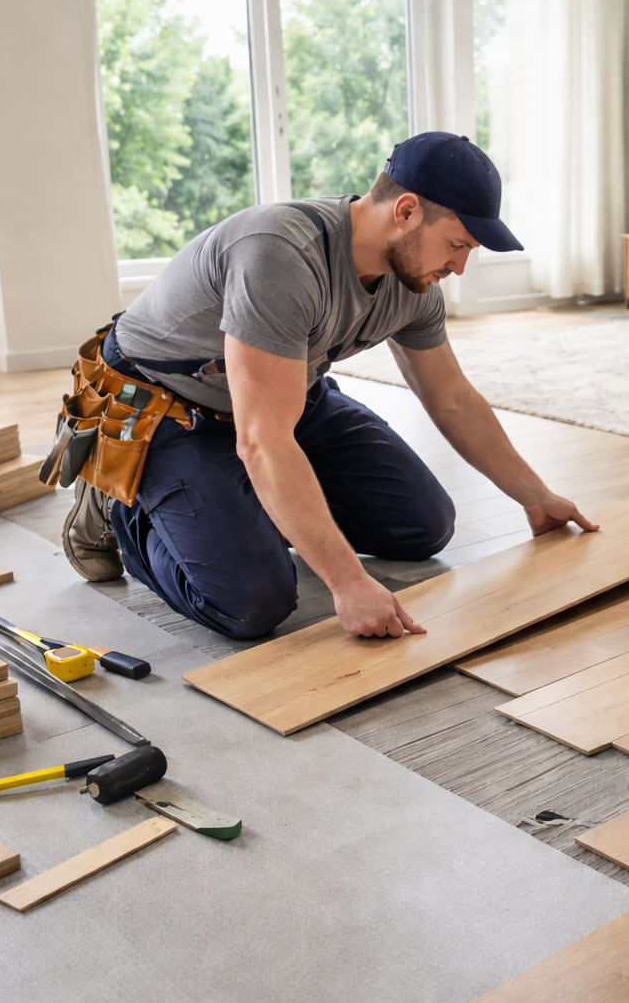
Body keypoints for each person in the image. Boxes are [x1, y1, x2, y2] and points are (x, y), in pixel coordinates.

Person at [62, 132, 597, 640]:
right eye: (456, 244)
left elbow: (451, 397)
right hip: (169, 410)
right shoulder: (280, 254)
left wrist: (537, 496)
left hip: (286, 396)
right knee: (252, 602)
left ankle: (250, 506)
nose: (458, 267)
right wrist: (348, 583)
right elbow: (261, 439)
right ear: (406, 211)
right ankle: (117, 508)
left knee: (424, 528)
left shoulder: (413, 284)